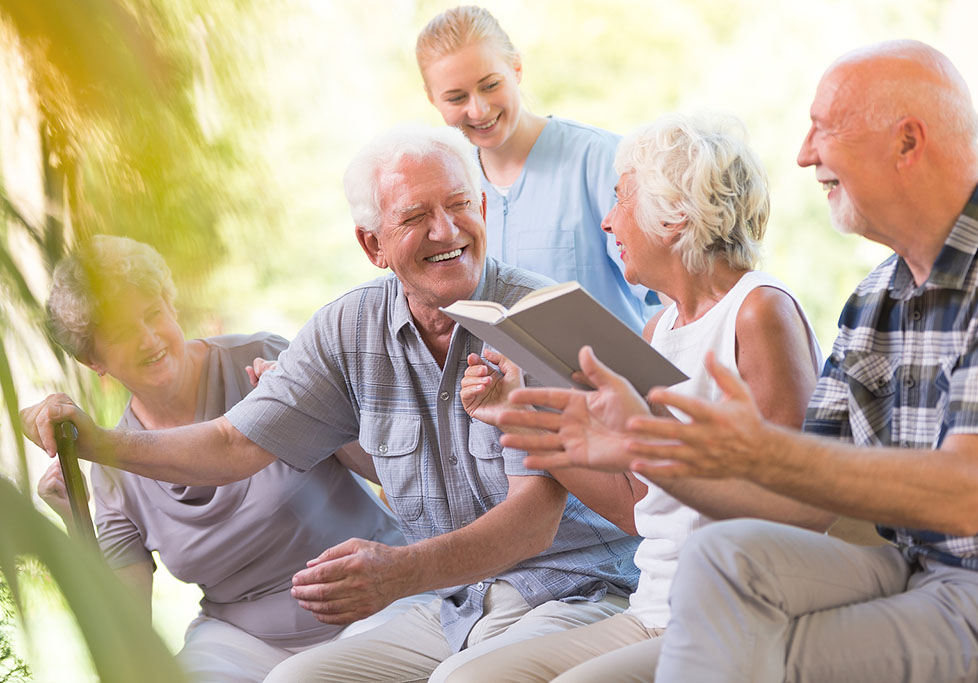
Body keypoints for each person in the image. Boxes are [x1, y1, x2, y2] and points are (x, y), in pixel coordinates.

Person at [22, 125, 639, 682]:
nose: (445, 231)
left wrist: (401, 572)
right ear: (373, 245)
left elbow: (534, 518)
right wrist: (96, 444)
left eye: (457, 206)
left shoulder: (537, 318)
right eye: (415, 216)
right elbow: (235, 444)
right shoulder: (350, 329)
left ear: (482, 208)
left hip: (575, 588)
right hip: (458, 601)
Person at [517, 41, 978, 682]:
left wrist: (756, 450)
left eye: (825, 128)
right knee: (720, 558)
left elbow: (966, 495)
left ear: (907, 142)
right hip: (911, 567)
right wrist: (646, 449)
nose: (804, 153)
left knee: (752, 656)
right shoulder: (875, 299)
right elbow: (803, 502)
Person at [450, 112, 833, 682]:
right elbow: (639, 506)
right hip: (653, 608)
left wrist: (658, 446)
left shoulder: (759, 311)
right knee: (467, 678)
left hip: (733, 613)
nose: (606, 223)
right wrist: (520, 418)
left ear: (674, 213)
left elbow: (797, 501)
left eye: (619, 200)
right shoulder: (660, 330)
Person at [33, 235, 421, 683]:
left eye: (153, 313)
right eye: (122, 332)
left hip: (374, 602)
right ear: (91, 359)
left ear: (171, 306)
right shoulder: (114, 466)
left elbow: (389, 470)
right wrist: (74, 519)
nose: (148, 338)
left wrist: (312, 416)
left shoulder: (261, 361)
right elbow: (126, 625)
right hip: (241, 641)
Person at [415, 5, 658, 333]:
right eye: (456, 98)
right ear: (433, 100)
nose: (478, 109)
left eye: (490, 85)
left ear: (516, 68)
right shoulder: (449, 186)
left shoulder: (603, 161)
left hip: (608, 382)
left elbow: (669, 298)